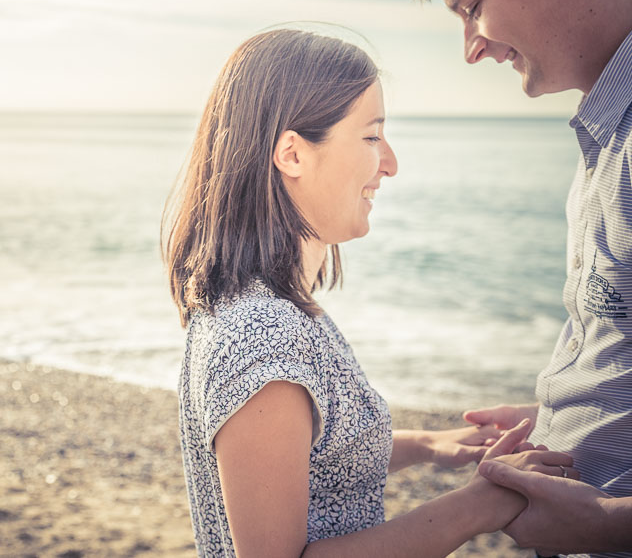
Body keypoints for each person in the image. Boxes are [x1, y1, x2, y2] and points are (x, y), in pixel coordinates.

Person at [162, 28, 574, 557]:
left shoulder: (264, 308)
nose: (390, 163)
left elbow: (309, 453)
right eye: (372, 136)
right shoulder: (262, 338)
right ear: (292, 154)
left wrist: (429, 445)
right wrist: (480, 505)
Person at [412, 0, 632, 556]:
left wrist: (608, 522)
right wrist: (565, 419)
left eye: (471, 8)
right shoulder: (605, 137)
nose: (471, 50)